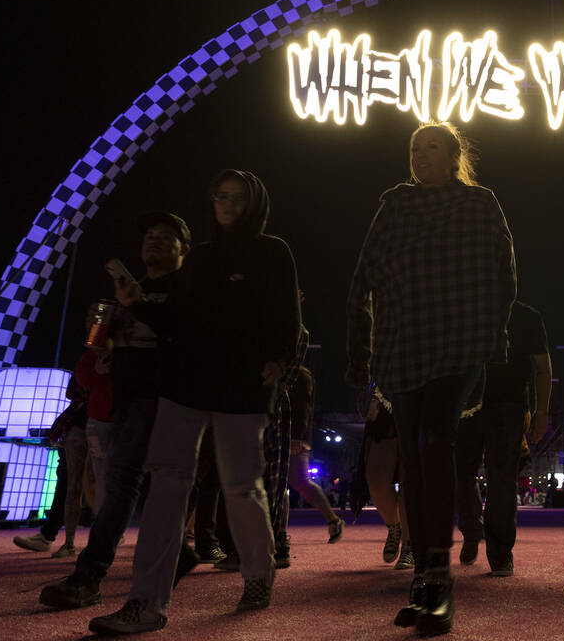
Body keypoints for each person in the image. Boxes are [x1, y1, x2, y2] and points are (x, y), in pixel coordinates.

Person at [87, 170, 301, 634]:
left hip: (242, 387)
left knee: (242, 486)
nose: (227, 203)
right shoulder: (199, 258)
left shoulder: (272, 251)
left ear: (254, 202)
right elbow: (177, 320)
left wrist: (280, 361)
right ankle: (145, 602)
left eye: (237, 197)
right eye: (220, 195)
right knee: (167, 485)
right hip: (185, 386)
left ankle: (259, 572)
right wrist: (137, 302)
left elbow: (287, 317)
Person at [347, 122, 516, 637]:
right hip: (403, 346)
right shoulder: (395, 204)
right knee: (415, 458)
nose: (420, 157)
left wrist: (494, 340)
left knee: (433, 439)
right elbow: (364, 275)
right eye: (414, 149)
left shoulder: (480, 202)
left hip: (459, 342)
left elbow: (503, 273)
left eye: (431, 148)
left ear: (454, 154)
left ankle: (439, 580)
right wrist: (360, 353)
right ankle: (423, 575)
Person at [39, 211, 191, 611]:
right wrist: (101, 341)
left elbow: (188, 338)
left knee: (122, 488)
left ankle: (88, 577)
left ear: (184, 250)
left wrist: (139, 305)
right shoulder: (128, 291)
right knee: (138, 490)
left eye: (166, 237)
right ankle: (178, 554)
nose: (154, 242)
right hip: (123, 404)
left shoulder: (187, 290)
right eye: (150, 235)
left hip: (163, 402)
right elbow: (105, 349)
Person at [456, 300, 550, 575]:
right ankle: (477, 533)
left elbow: (543, 368)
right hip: (472, 403)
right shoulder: (469, 310)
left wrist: (541, 411)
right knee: (468, 474)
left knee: (499, 479)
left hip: (505, 404)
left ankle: (498, 551)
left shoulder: (525, 315)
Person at [15, 371, 90, 558]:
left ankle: (57, 537)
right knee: (68, 481)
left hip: (95, 420)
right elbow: (74, 389)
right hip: (84, 420)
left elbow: (76, 389)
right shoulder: (94, 358)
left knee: (82, 484)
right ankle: (52, 536)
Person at [285, 366, 344, 542]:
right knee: (290, 483)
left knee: (298, 481)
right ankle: (276, 532)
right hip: (283, 434)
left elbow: (303, 407)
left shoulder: (300, 374)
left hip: (292, 438)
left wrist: (297, 436)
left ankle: (333, 520)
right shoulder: (298, 373)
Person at [362, 394, 413, 569]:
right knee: (376, 480)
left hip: (421, 397)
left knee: (411, 479)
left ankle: (409, 543)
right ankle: (394, 526)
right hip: (386, 402)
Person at [75, 342, 114, 514]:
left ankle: (108, 528)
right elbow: (82, 379)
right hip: (100, 420)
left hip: (127, 418)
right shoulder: (96, 348)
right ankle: (104, 528)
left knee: (120, 476)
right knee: (100, 476)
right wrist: (97, 371)